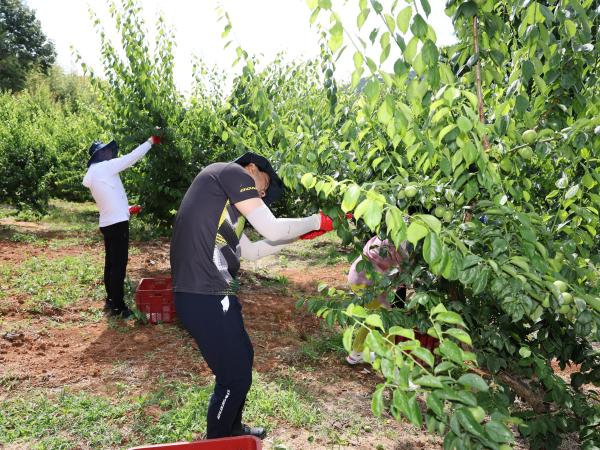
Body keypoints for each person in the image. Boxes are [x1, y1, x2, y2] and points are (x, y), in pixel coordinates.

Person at [170, 152, 334, 440]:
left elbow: (252, 251)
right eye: (266, 183)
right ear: (252, 167)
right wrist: (315, 220)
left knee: (242, 359)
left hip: (208, 293)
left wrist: (295, 237)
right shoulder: (232, 173)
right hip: (206, 293)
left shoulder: (224, 204)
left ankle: (232, 430)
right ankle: (219, 442)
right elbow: (271, 227)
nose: (264, 191)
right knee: (234, 377)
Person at [83, 135, 161, 318]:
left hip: (108, 223)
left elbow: (109, 199)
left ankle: (111, 300)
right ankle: (118, 307)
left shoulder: (94, 174)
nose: (110, 154)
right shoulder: (106, 167)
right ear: (99, 155)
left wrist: (127, 209)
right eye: (106, 151)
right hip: (117, 225)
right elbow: (131, 158)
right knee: (118, 266)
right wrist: (150, 142)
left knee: (110, 264)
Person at [346, 236, 410, 364]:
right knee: (388, 320)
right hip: (368, 284)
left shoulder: (385, 234)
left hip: (357, 277)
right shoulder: (399, 244)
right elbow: (405, 269)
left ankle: (356, 354)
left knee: (373, 316)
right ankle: (393, 366)